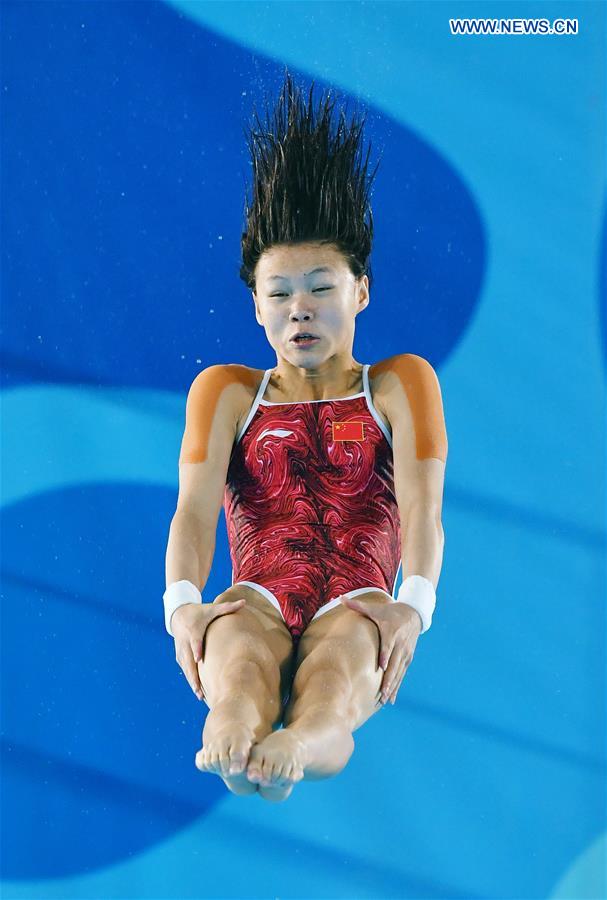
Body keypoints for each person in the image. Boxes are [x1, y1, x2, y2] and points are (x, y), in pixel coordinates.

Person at [163, 70, 448, 803]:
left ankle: (295, 743)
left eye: (321, 287)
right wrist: (182, 606)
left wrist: (411, 607)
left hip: (357, 600)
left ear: (361, 290)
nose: (301, 311)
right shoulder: (226, 391)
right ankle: (235, 728)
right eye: (279, 293)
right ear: (255, 307)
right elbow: (193, 511)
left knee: (336, 676)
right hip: (259, 591)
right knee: (237, 660)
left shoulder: (397, 383)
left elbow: (422, 508)